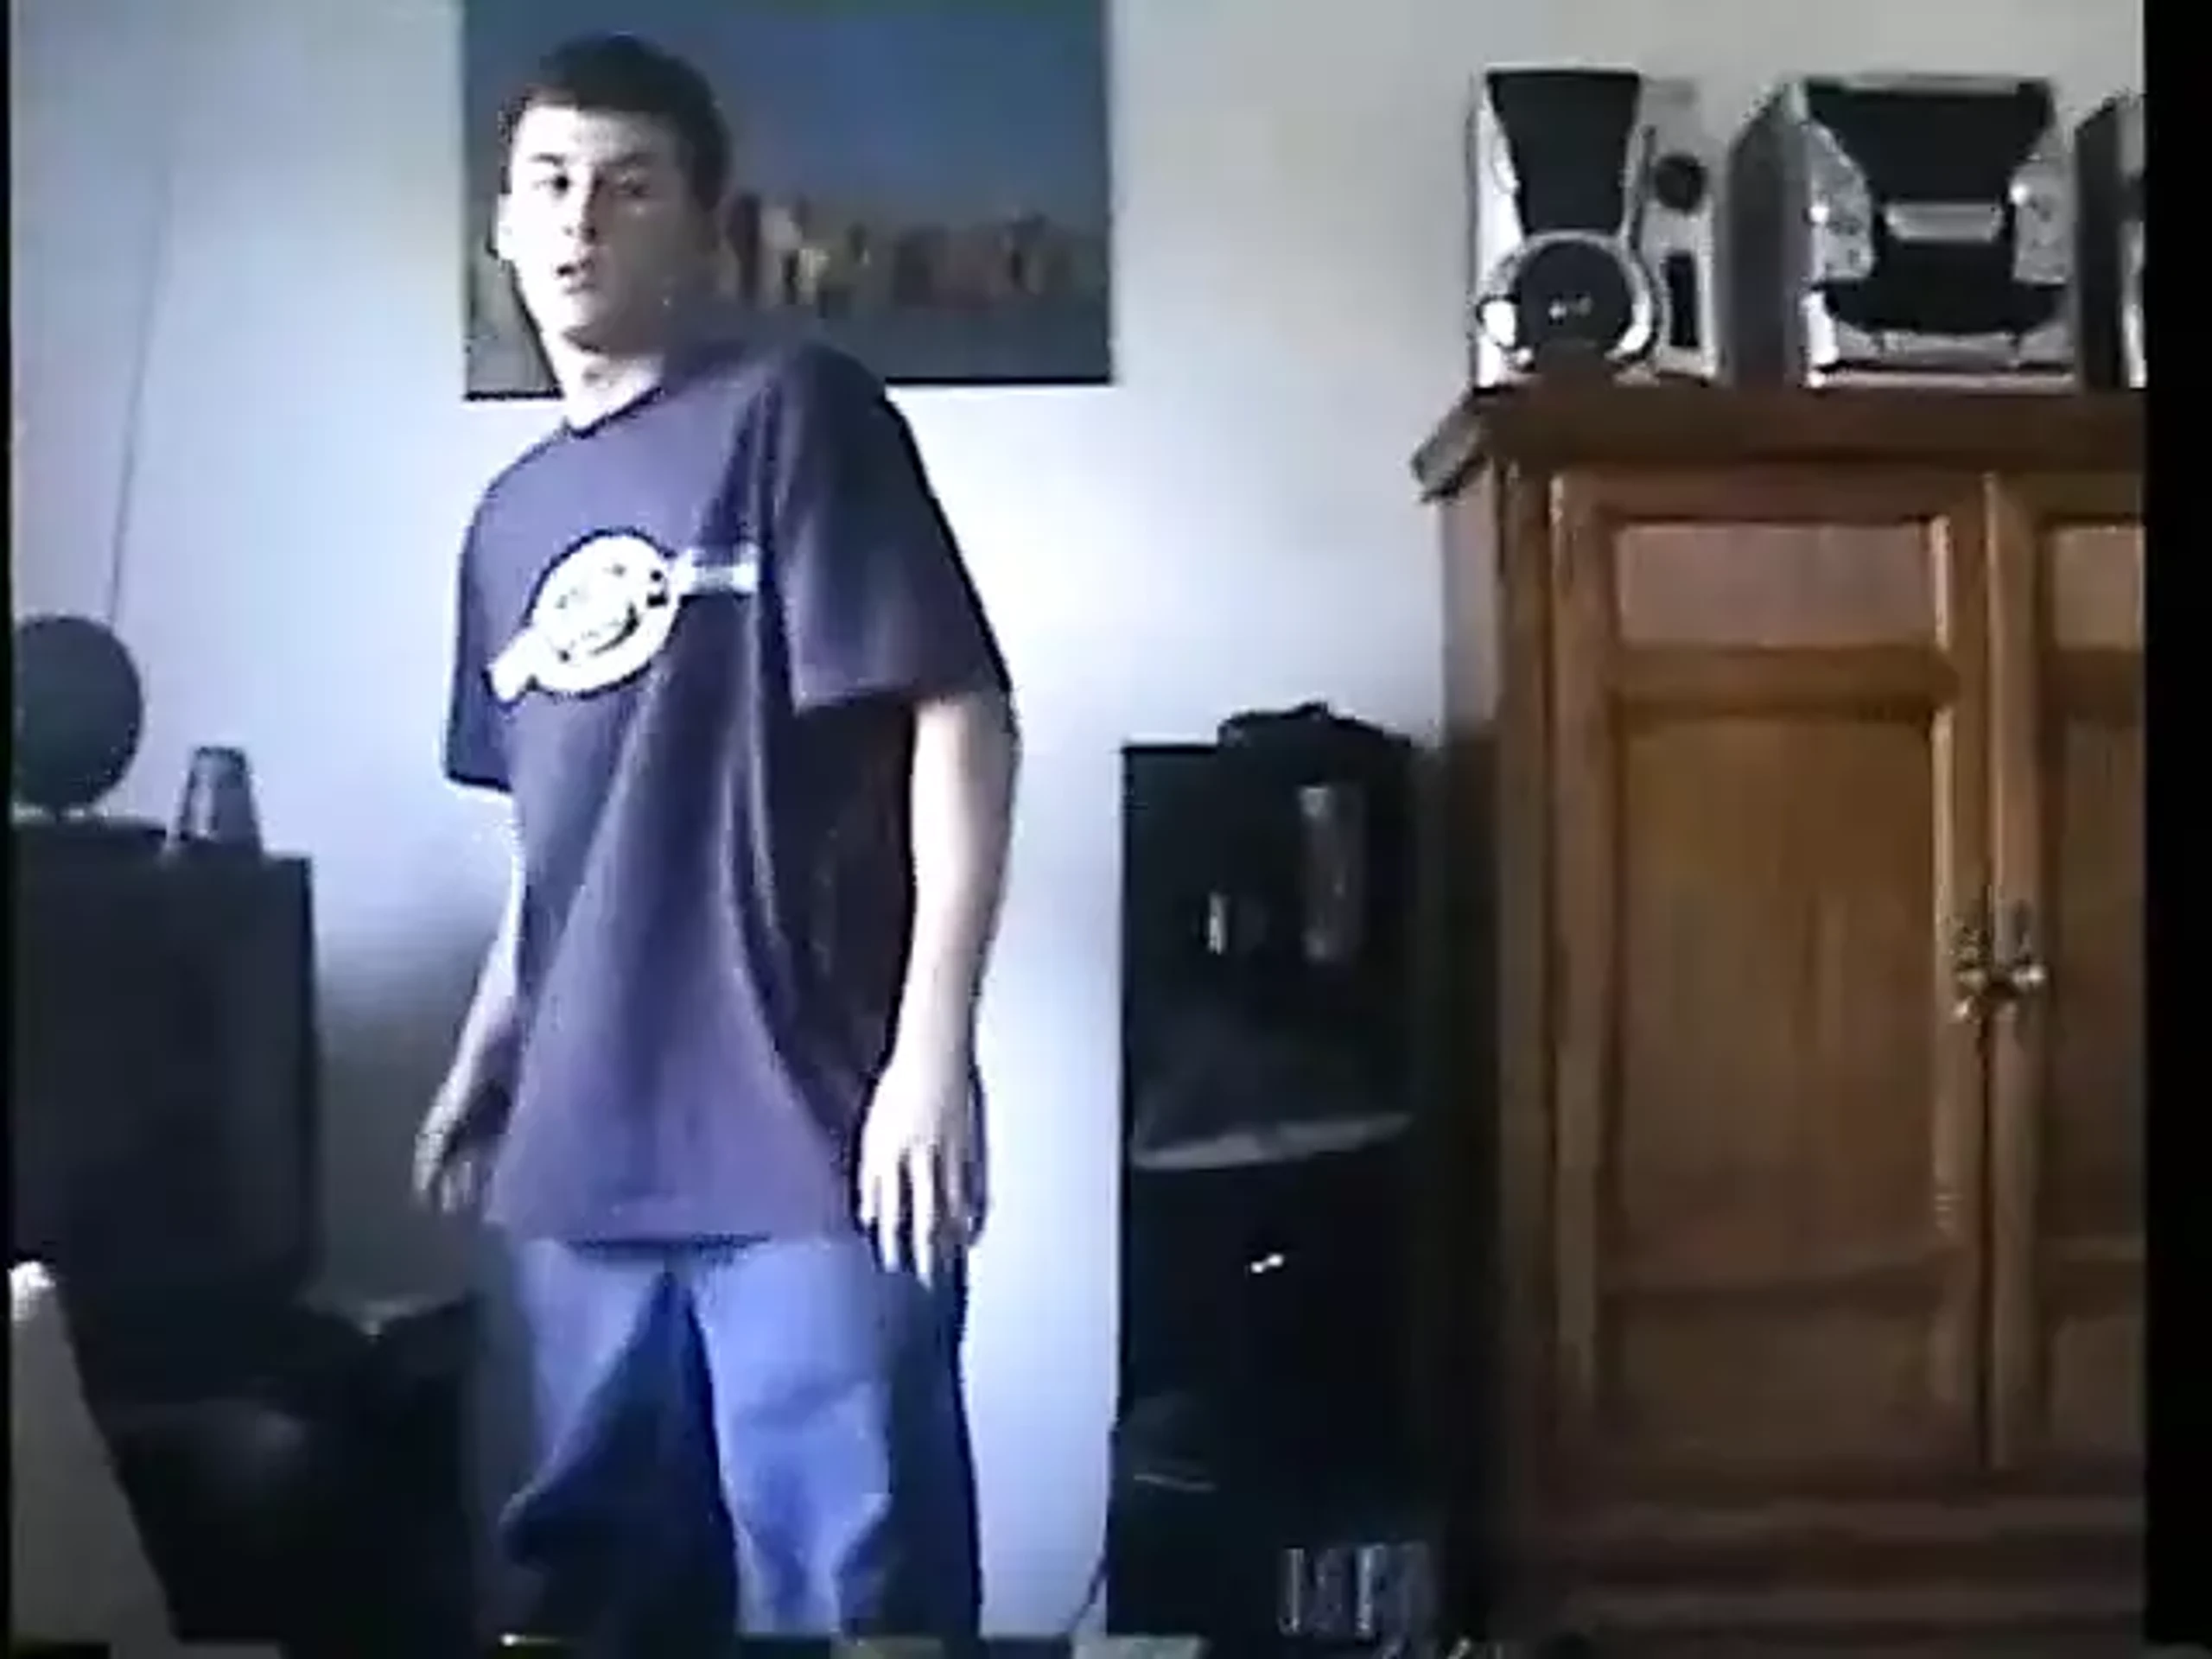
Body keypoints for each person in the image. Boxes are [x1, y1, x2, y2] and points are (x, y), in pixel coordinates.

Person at [411, 32, 1020, 1645]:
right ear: (501, 223)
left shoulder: (796, 414)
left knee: (854, 1595)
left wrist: (932, 1056)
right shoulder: (506, 523)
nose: (579, 220)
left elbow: (960, 715)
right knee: (593, 1598)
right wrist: (488, 1052)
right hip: (575, 1162)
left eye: (629, 187)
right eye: (549, 184)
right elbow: (557, 842)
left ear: (702, 227)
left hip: (807, 1138)